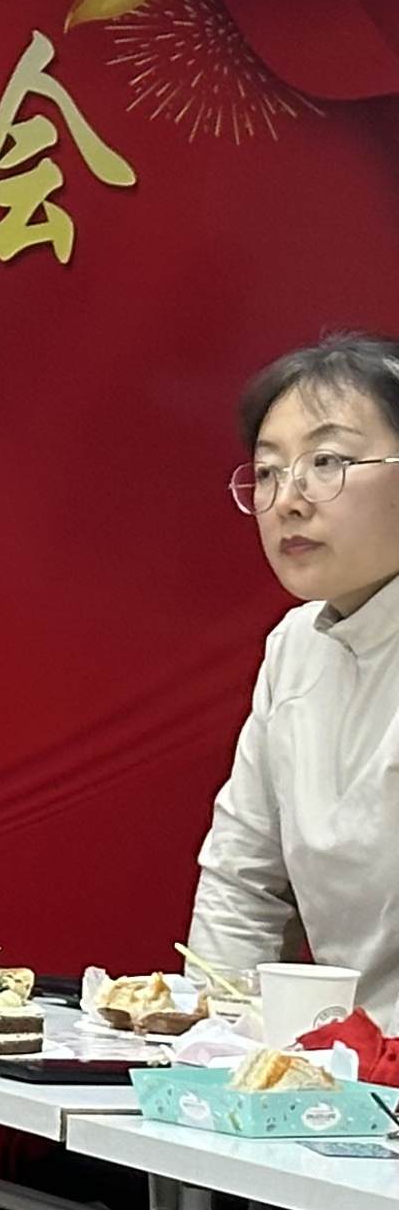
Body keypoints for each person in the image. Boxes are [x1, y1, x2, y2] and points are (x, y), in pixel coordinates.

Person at [189, 328, 399, 1022]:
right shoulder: (294, 647)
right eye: (269, 471)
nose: (289, 500)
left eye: (327, 461)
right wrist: (215, 1046)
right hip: (336, 1062)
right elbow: (241, 882)